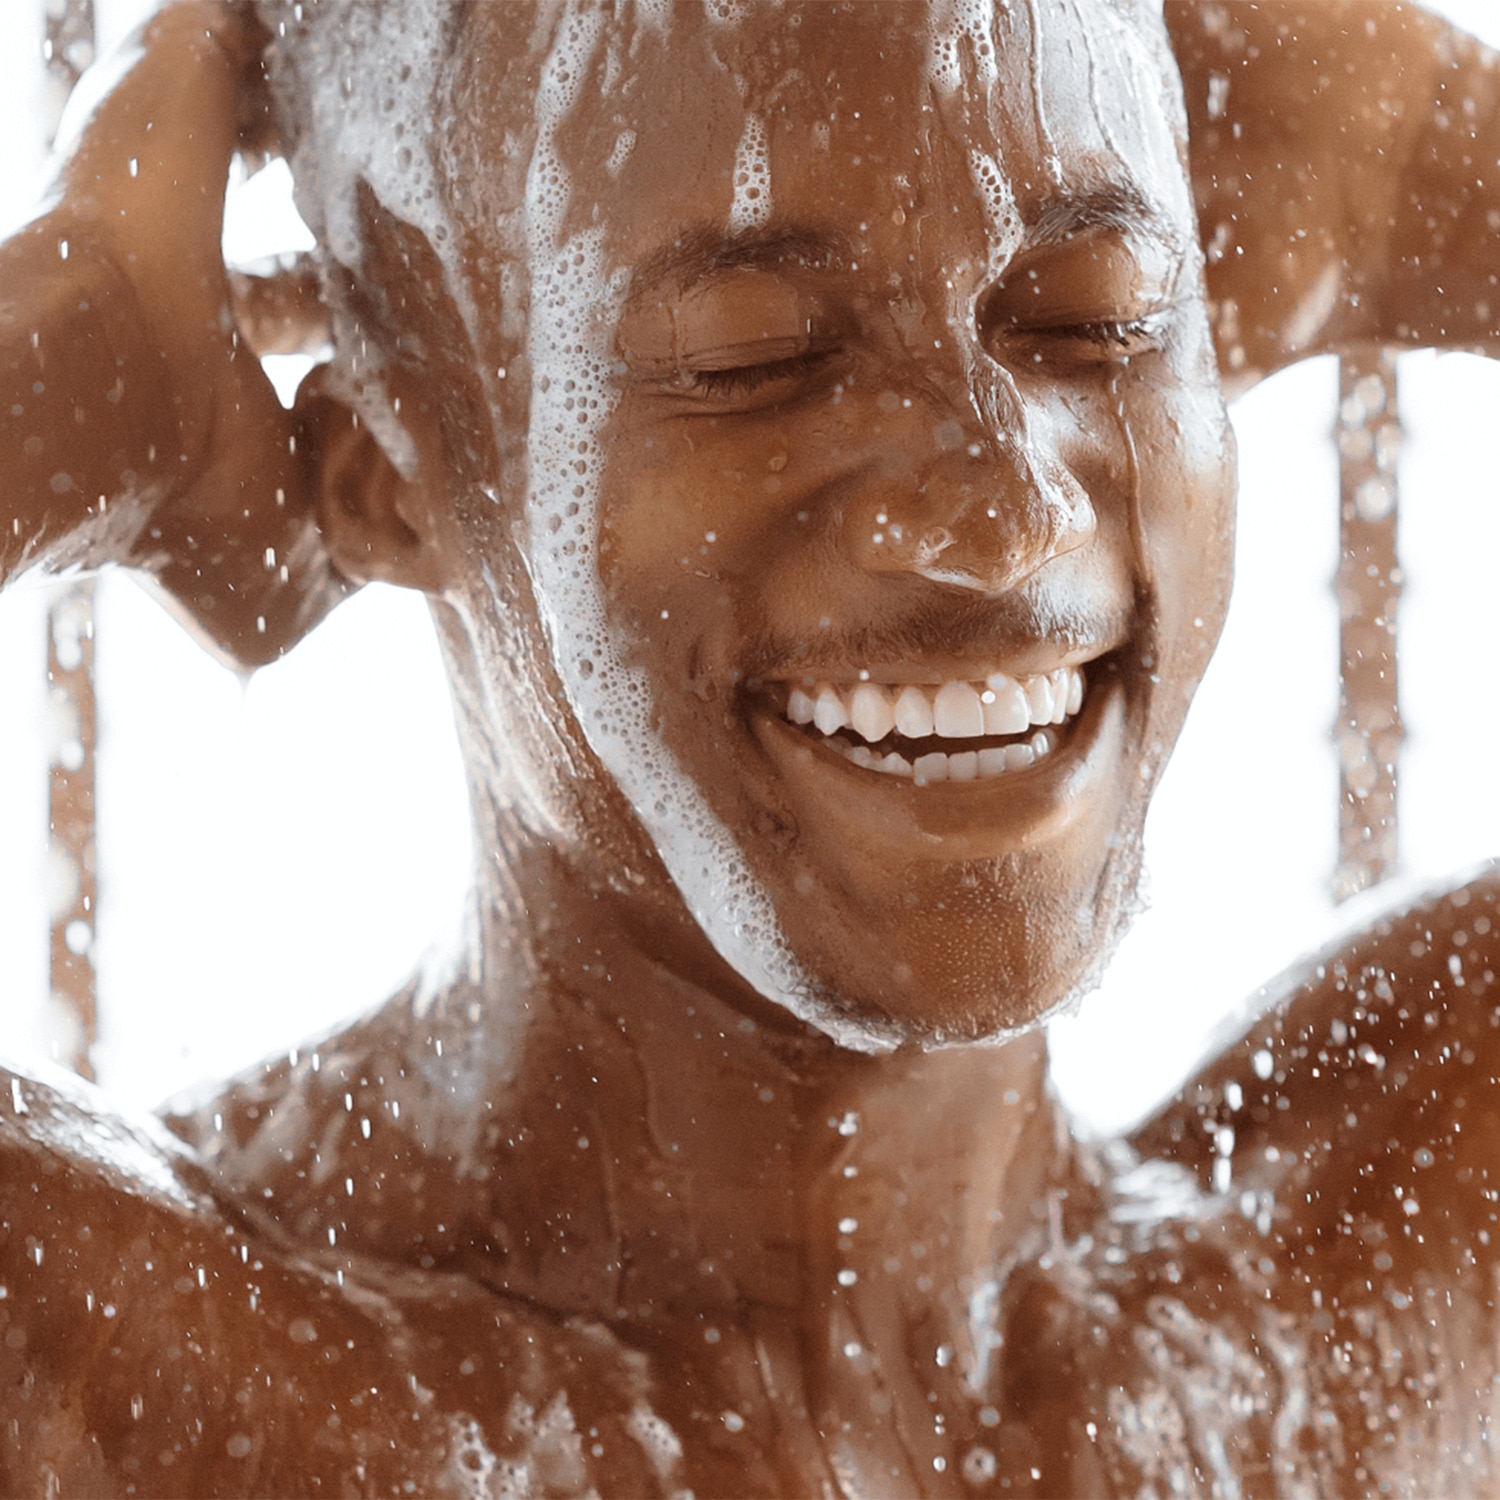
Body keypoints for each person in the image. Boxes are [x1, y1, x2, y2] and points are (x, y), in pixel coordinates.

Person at [3, 0, 1499, 1492]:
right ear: (390, 475)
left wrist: (1428, 158)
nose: (1001, 506)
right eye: (751, 357)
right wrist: (55, 372)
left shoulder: (1340, 1292)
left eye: (1092, 316)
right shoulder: (122, 1370)